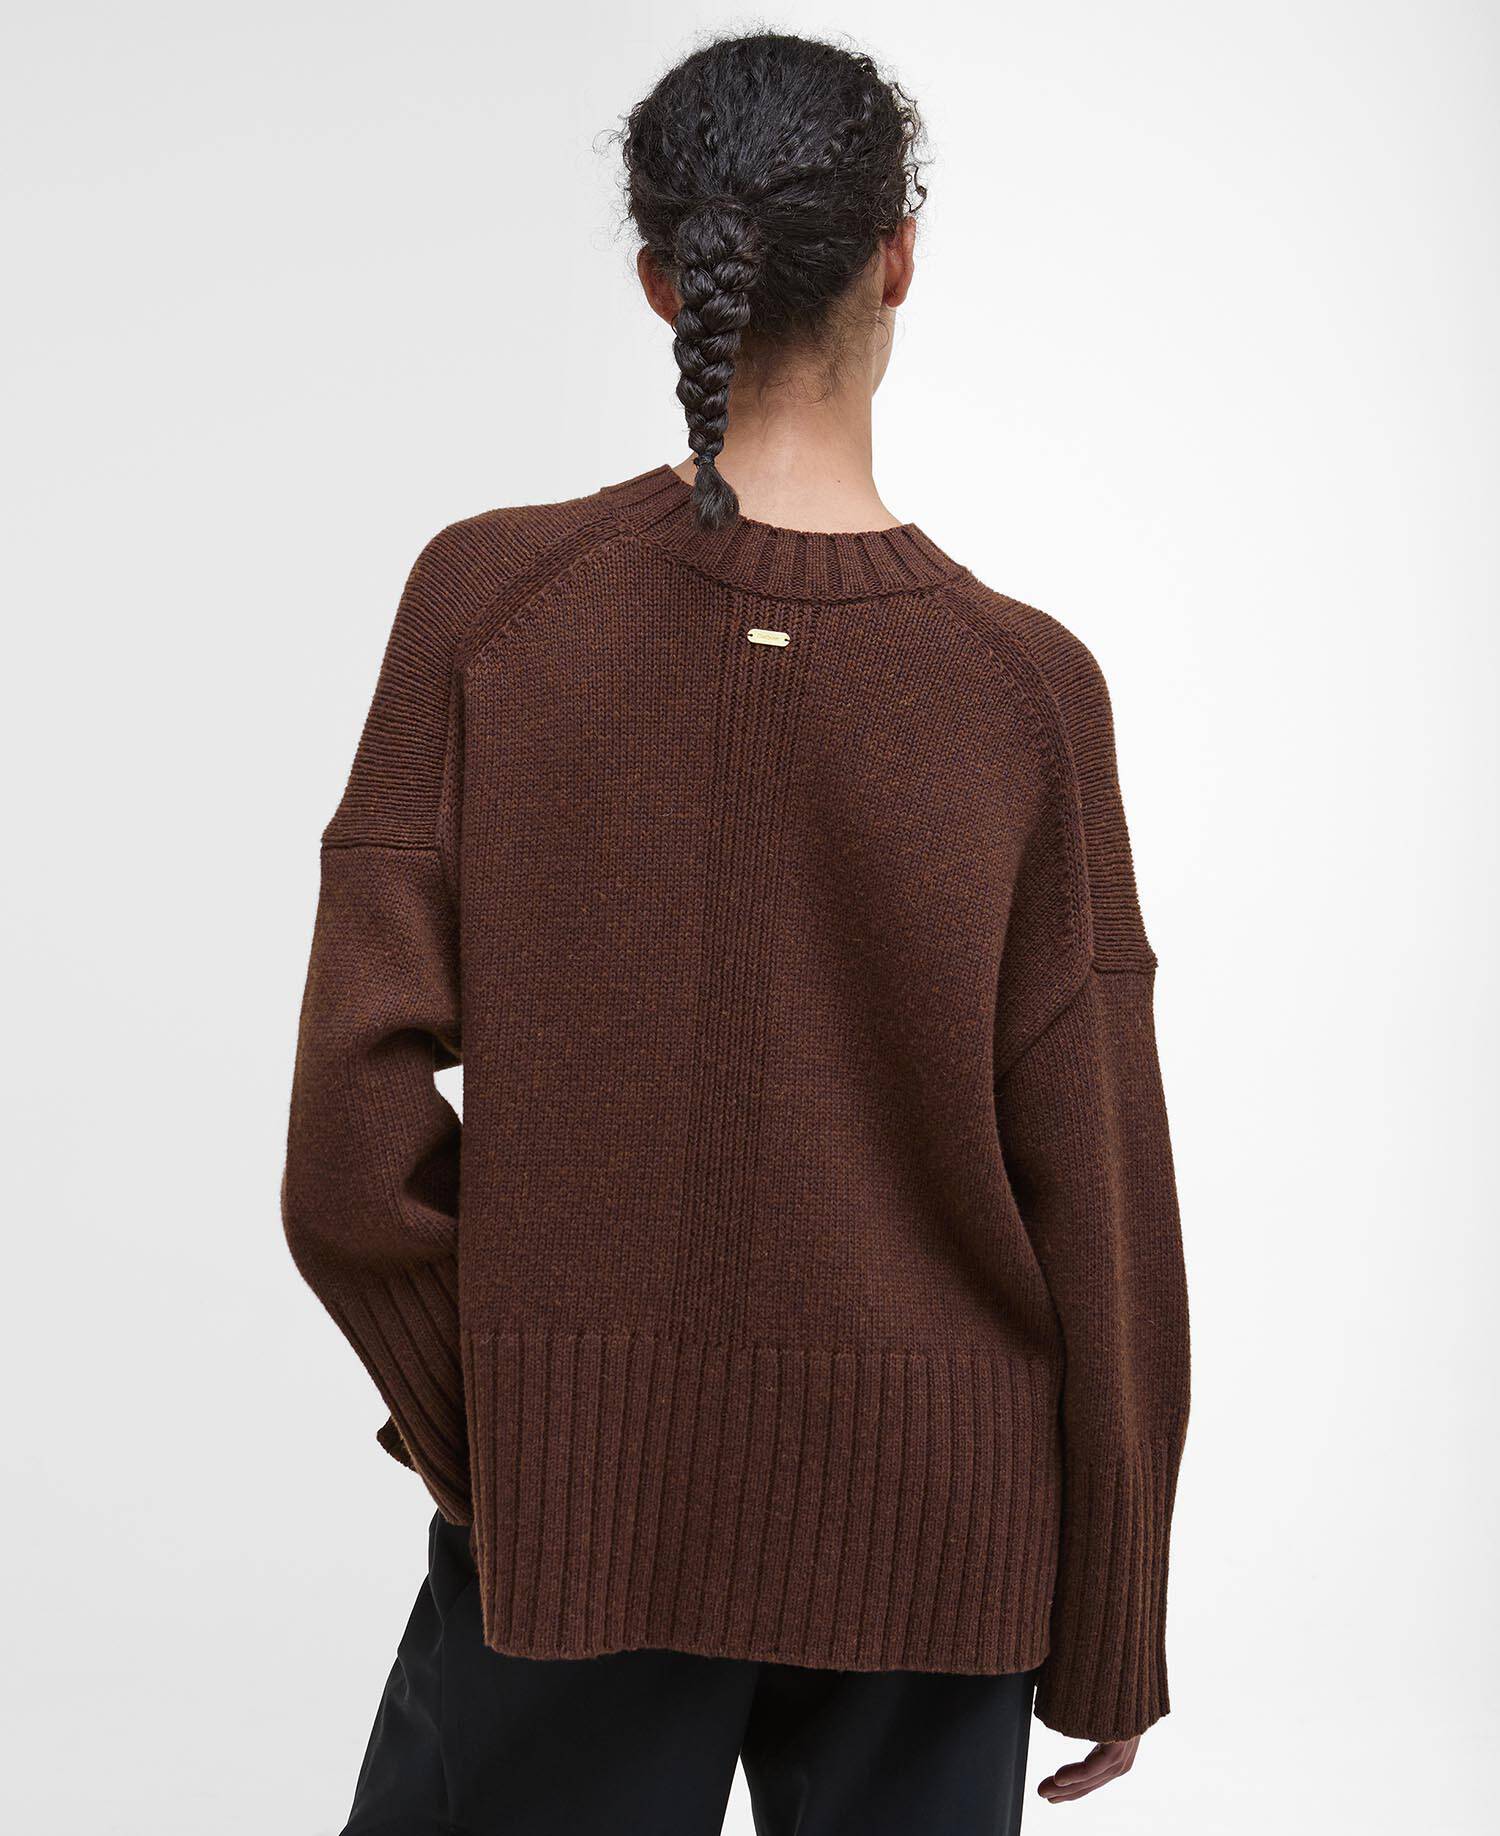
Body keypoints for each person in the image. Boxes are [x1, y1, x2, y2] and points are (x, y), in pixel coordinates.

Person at [282, 30, 1190, 1835]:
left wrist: (524, 1440)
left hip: (576, 1520)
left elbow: (346, 1154)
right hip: (942, 1526)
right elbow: (1103, 1200)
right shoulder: (1024, 691)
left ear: (660, 279)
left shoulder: (490, 603)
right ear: (899, 258)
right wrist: (1114, 1624)